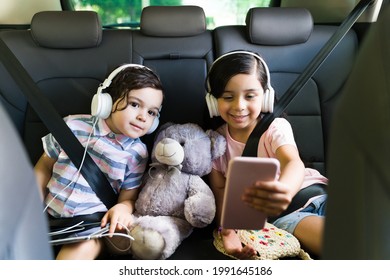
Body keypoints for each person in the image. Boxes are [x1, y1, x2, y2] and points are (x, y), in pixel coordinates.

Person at [205, 51, 328, 259]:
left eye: (250, 96)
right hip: (290, 215)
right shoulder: (215, 144)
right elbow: (220, 192)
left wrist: (284, 191)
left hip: (319, 193)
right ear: (213, 101)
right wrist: (228, 230)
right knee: (348, 243)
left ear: (266, 97)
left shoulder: (275, 128)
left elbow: (293, 163)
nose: (239, 106)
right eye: (228, 97)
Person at [34, 64, 164, 259]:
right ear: (105, 100)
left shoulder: (137, 153)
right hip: (47, 217)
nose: (142, 117)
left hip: (89, 228)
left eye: (151, 113)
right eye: (135, 104)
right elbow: (44, 165)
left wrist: (123, 208)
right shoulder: (71, 125)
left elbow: (128, 198)